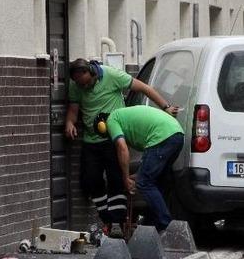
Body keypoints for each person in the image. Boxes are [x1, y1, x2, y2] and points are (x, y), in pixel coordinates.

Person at [64, 58, 178, 237]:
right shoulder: (76, 85)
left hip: (112, 137)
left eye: (86, 83)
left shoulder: (112, 75)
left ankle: (118, 222)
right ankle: (106, 219)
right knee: (91, 180)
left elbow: (144, 88)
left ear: (92, 74)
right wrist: (70, 123)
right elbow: (73, 109)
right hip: (91, 141)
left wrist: (166, 107)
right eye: (80, 84)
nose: (83, 87)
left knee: (117, 180)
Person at [96, 105, 184, 232]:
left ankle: (165, 224)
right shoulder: (123, 118)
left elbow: (122, 148)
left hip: (161, 136)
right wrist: (139, 173)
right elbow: (148, 158)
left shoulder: (111, 121)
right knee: (159, 181)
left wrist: (126, 178)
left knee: (144, 183)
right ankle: (152, 223)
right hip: (176, 134)